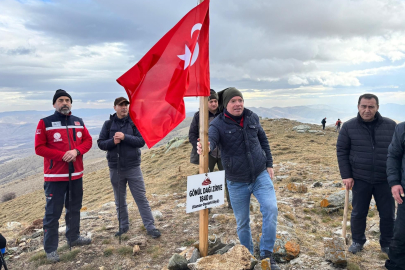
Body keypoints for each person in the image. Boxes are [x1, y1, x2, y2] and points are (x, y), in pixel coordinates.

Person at [197, 87, 280, 269]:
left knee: (271, 209)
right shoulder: (217, 124)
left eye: (240, 100)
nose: (238, 104)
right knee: (243, 223)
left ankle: (267, 253)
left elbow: (263, 139)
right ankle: (247, 255)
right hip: (236, 182)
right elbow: (212, 139)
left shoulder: (252, 117)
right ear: (226, 104)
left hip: (259, 175)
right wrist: (206, 145)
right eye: (233, 101)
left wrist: (269, 164)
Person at [35, 89, 93, 262]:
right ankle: (51, 248)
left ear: (71, 103)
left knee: (74, 209)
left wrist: (76, 151)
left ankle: (73, 237)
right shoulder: (44, 122)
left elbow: (88, 141)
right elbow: (39, 148)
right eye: (60, 100)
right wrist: (62, 155)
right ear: (54, 104)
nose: (64, 103)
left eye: (67, 100)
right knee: (53, 214)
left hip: (76, 175)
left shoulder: (78, 122)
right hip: (55, 177)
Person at [336, 93, 396, 255]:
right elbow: (342, 151)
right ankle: (357, 241)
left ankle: (387, 243)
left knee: (388, 213)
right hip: (360, 178)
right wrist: (346, 175)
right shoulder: (349, 127)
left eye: (371, 107)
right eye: (364, 106)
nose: (367, 110)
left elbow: (398, 152)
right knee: (358, 212)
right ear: (358, 107)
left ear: (377, 108)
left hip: (385, 179)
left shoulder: (391, 126)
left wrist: (396, 177)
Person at [97, 97, 161, 239]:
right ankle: (123, 226)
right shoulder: (108, 124)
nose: (124, 107)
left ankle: (150, 227)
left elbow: (141, 141)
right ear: (115, 108)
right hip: (115, 168)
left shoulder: (134, 123)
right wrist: (113, 141)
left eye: (126, 105)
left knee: (141, 198)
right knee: (120, 200)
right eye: (121, 105)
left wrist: (125, 137)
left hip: (133, 167)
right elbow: (101, 143)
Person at [189, 89, 231, 209]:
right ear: (206, 102)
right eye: (211, 101)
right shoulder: (199, 116)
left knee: (229, 178)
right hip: (208, 154)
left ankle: (232, 205)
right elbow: (192, 134)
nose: (213, 104)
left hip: (223, 153)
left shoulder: (224, 114)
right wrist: (198, 146)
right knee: (205, 180)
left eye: (215, 101)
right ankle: (206, 207)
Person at [385, 121, 405, 270]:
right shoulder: (402, 128)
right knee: (402, 233)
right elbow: (393, 156)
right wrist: (394, 182)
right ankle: (397, 266)